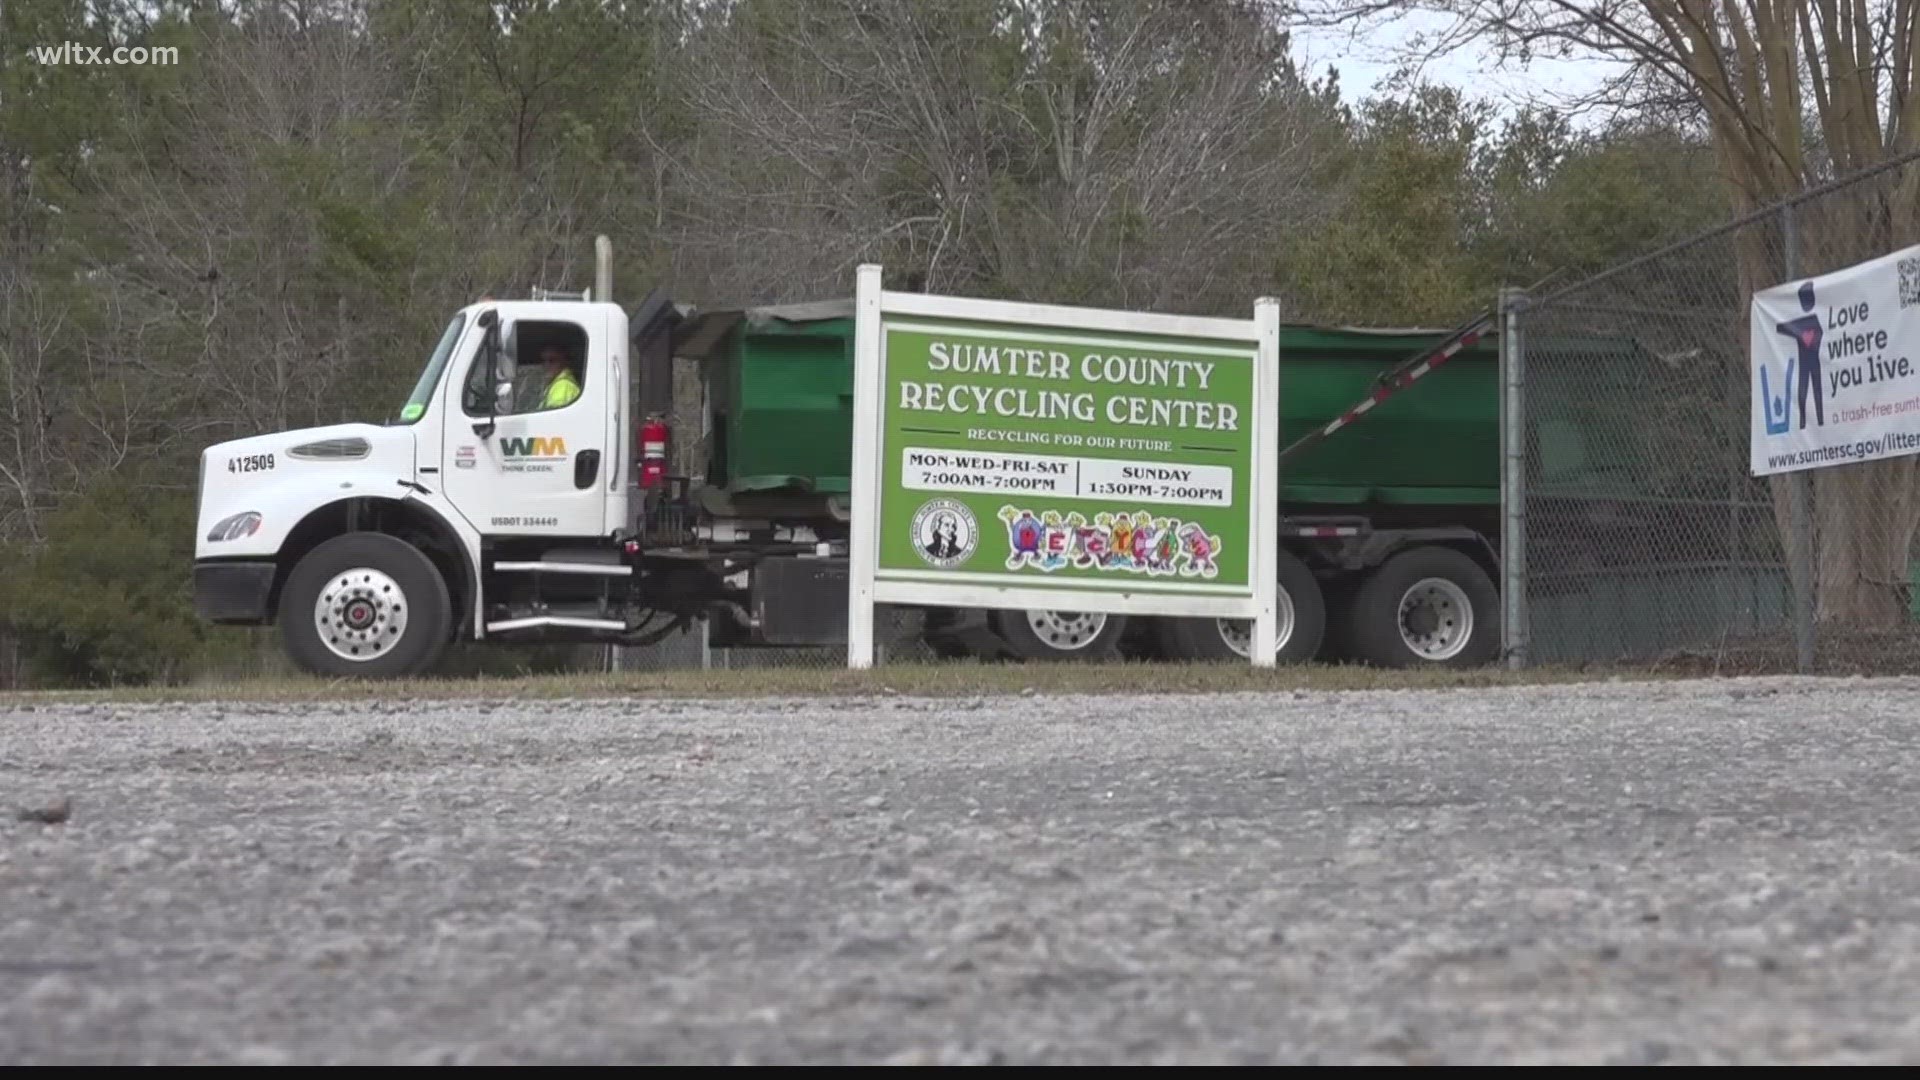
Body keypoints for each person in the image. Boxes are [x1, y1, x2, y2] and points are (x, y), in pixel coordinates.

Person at [535, 344, 581, 409]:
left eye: (552, 360)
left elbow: (554, 417)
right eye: (543, 361)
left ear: (564, 362)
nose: (546, 365)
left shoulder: (563, 386)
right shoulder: (557, 383)